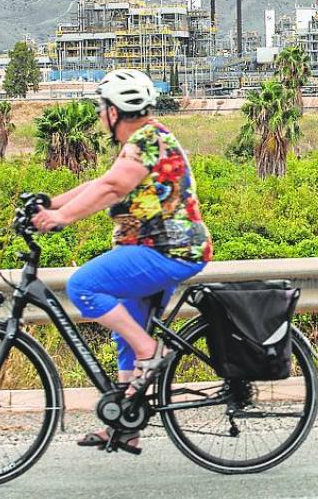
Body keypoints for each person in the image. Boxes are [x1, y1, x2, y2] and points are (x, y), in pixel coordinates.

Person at [32, 68, 211, 451]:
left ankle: (151, 352)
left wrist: (60, 219)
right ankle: (126, 422)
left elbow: (111, 188)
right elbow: (100, 184)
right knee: (125, 329)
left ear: (115, 111)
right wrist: (50, 203)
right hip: (157, 250)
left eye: (102, 108)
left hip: (168, 251)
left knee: (83, 286)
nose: (99, 115)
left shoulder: (148, 141)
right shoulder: (144, 140)